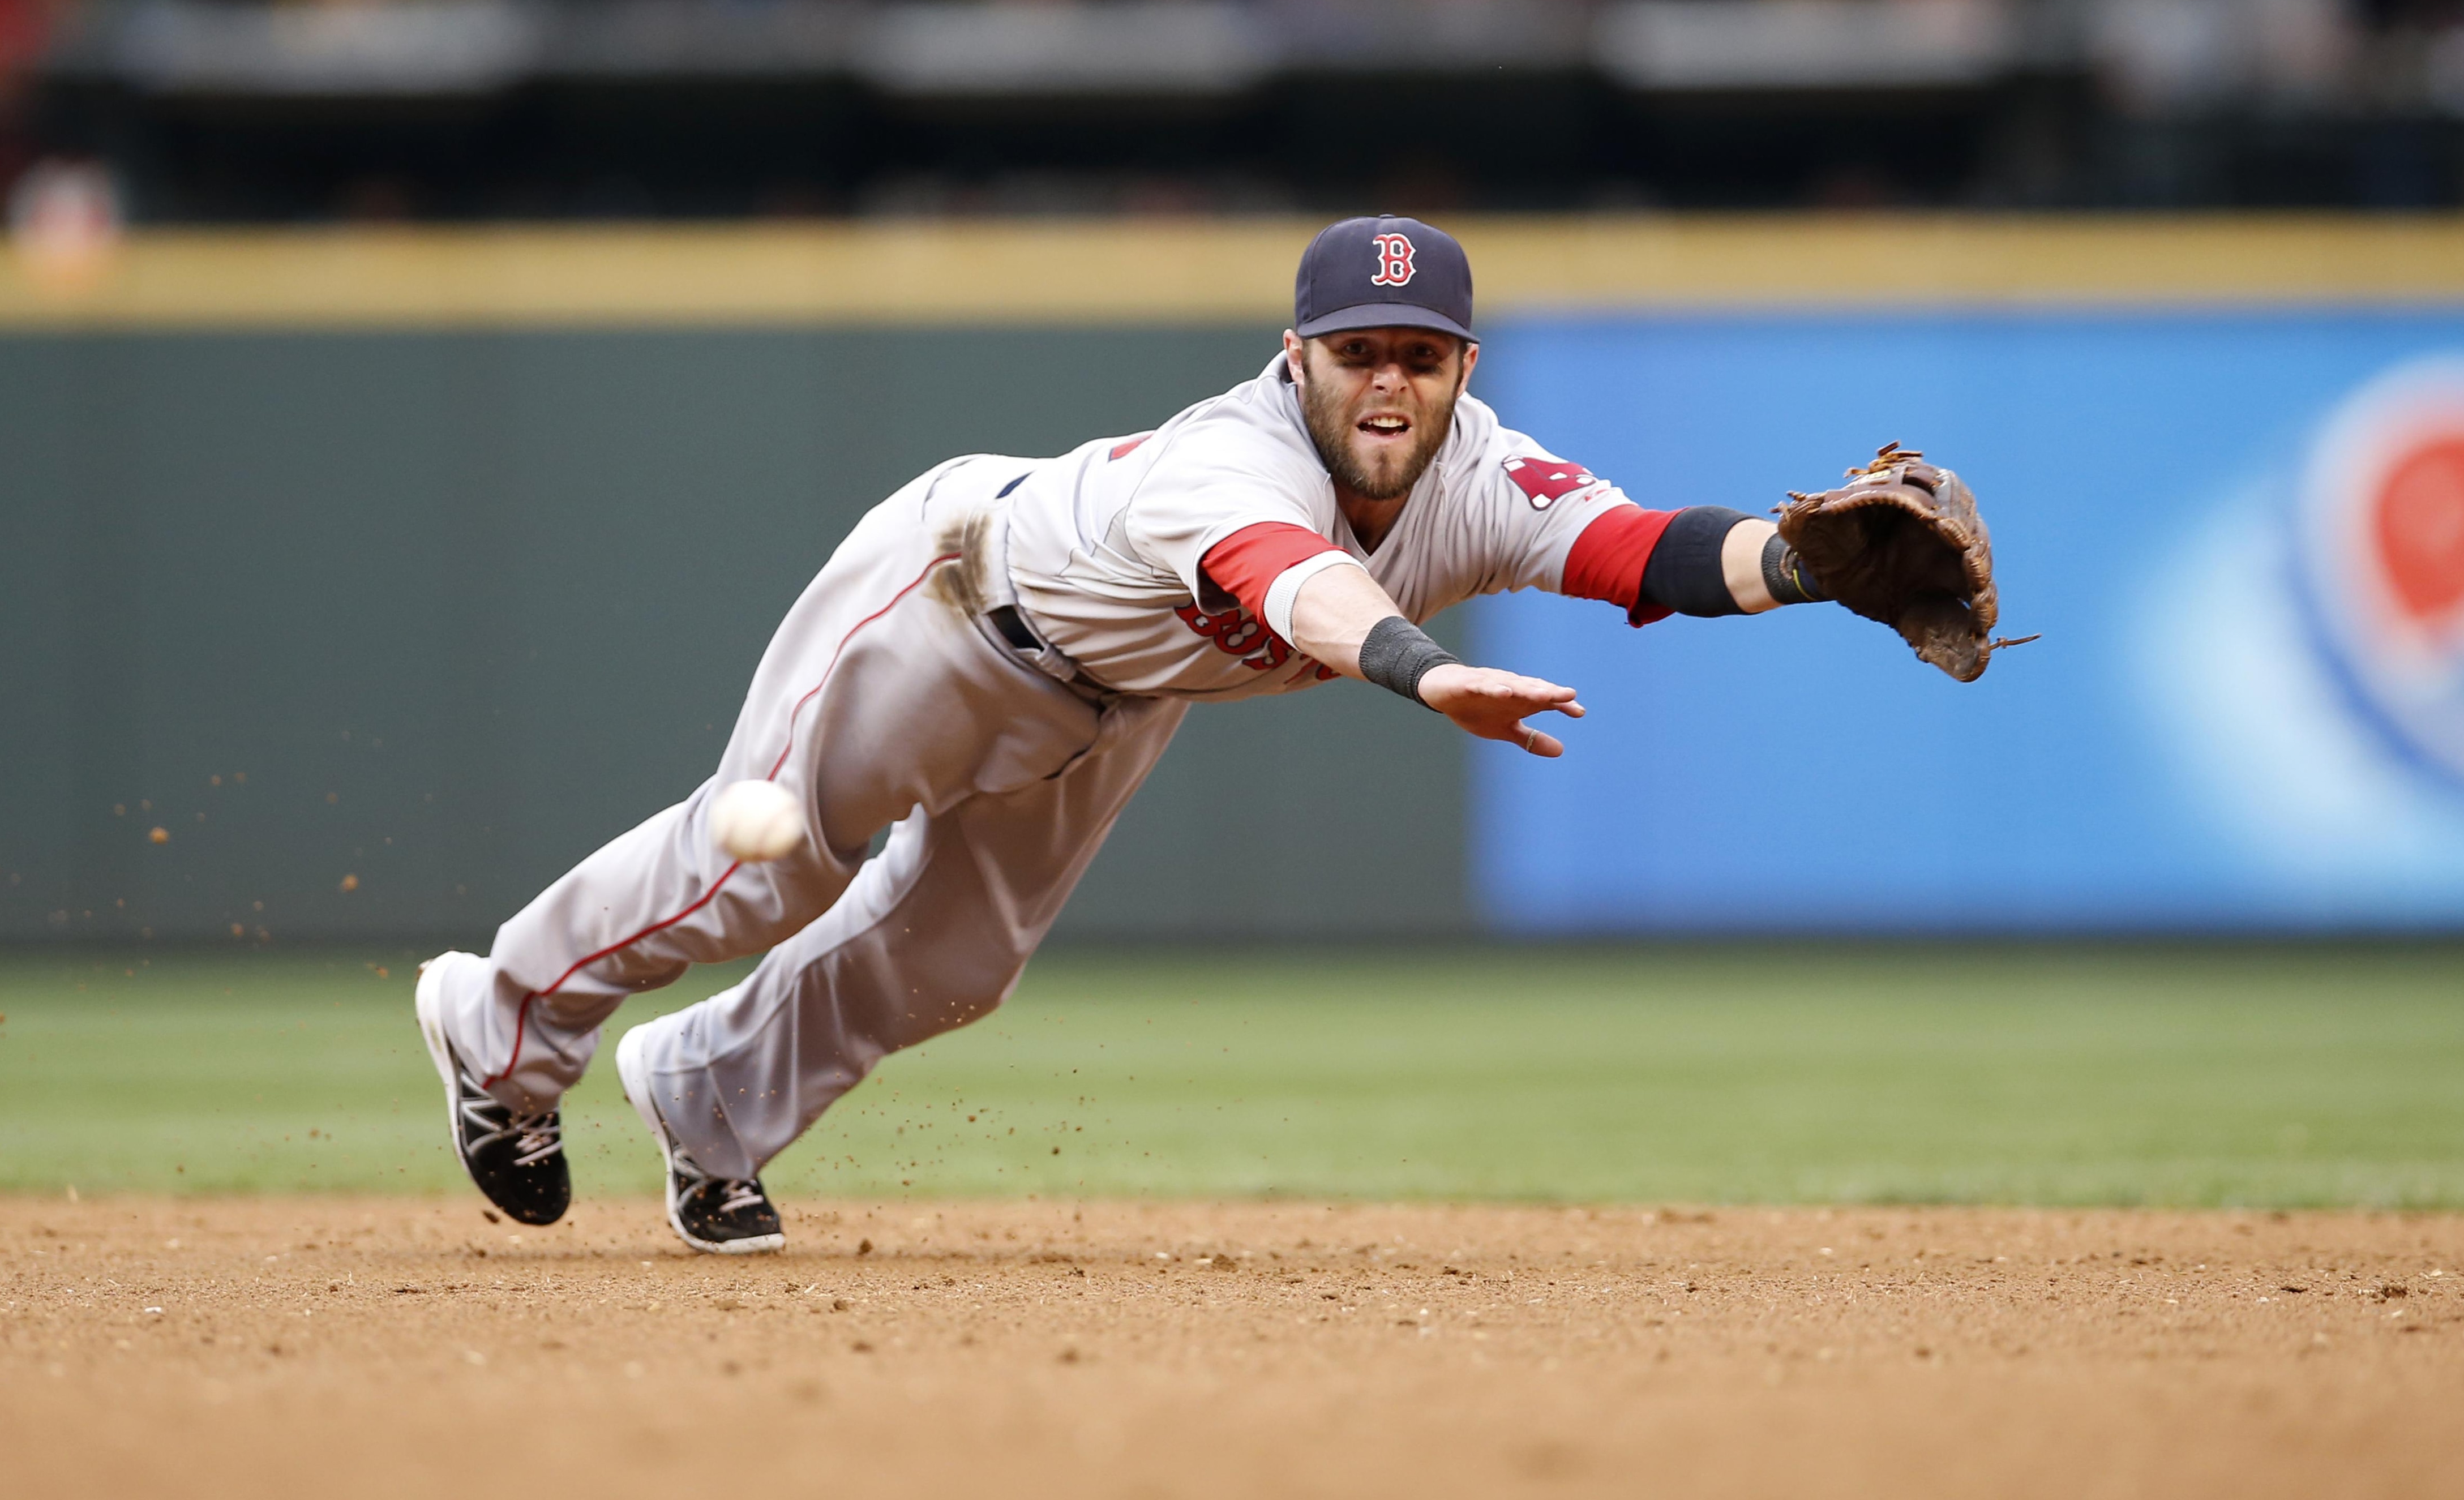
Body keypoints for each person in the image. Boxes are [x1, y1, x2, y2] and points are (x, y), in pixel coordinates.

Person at [414, 216, 1846, 1252]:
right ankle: (502, 1031)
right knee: (770, 868)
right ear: (1297, 356)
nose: (1390, 383)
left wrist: (1802, 565)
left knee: (957, 967)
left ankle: (706, 1110)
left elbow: (1643, 547)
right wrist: (1421, 674)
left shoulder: (1479, 470)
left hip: (1117, 698)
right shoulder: (1232, 454)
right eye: (1359, 352)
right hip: (954, 608)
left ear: (1464, 365)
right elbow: (1296, 582)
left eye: (1422, 353)